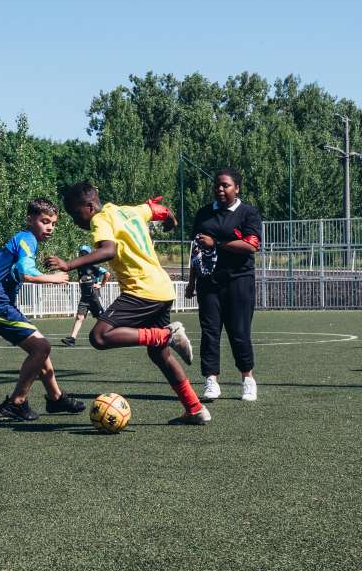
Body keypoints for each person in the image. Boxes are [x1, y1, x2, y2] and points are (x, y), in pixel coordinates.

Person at [46, 182, 208, 425]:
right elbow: (157, 209)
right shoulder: (129, 210)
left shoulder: (99, 219)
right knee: (160, 356)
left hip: (142, 290)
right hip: (161, 288)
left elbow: (108, 250)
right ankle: (195, 408)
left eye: (75, 213)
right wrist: (170, 220)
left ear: (90, 206)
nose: (75, 219)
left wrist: (69, 265)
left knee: (99, 336)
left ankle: (165, 335)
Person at [0, 198, 85, 421]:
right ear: (30, 219)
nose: (50, 227)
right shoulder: (27, 240)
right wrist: (53, 278)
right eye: (44, 221)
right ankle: (16, 402)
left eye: (53, 223)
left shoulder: (16, 241)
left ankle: (56, 398)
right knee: (41, 348)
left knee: (41, 350)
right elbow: (25, 272)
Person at [184, 168, 262, 402]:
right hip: (209, 283)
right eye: (217, 185)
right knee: (209, 333)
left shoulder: (248, 213)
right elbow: (196, 249)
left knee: (239, 333)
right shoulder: (204, 214)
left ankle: (247, 379)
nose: (220, 189)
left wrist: (216, 243)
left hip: (239, 281)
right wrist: (192, 281)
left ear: (236, 188)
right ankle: (211, 381)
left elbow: (251, 245)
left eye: (225, 185)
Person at [61, 244, 109, 346]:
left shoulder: (94, 265)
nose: (83, 254)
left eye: (85, 253)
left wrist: (101, 284)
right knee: (79, 317)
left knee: (101, 317)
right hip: (84, 296)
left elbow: (107, 274)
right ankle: (72, 339)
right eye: (81, 253)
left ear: (89, 254)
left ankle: (109, 336)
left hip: (94, 295)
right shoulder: (79, 265)